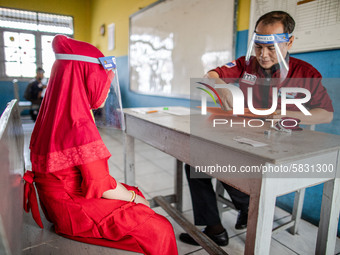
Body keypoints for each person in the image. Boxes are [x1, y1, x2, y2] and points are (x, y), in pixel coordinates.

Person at [180, 10, 334, 246]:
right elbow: (211, 74)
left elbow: (326, 114)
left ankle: (247, 206)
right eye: (259, 46)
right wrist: (220, 86)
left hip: (282, 145)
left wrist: (289, 114)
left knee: (230, 163)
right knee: (195, 159)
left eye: (271, 48)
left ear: (290, 41)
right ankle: (216, 226)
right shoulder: (247, 64)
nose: (263, 55)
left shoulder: (306, 74)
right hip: (244, 137)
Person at [23, 35, 178, 255]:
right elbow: (103, 186)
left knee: (131, 193)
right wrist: (137, 199)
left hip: (54, 206)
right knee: (159, 227)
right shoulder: (78, 123)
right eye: (102, 81)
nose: (105, 89)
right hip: (73, 212)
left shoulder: (50, 114)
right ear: (85, 79)